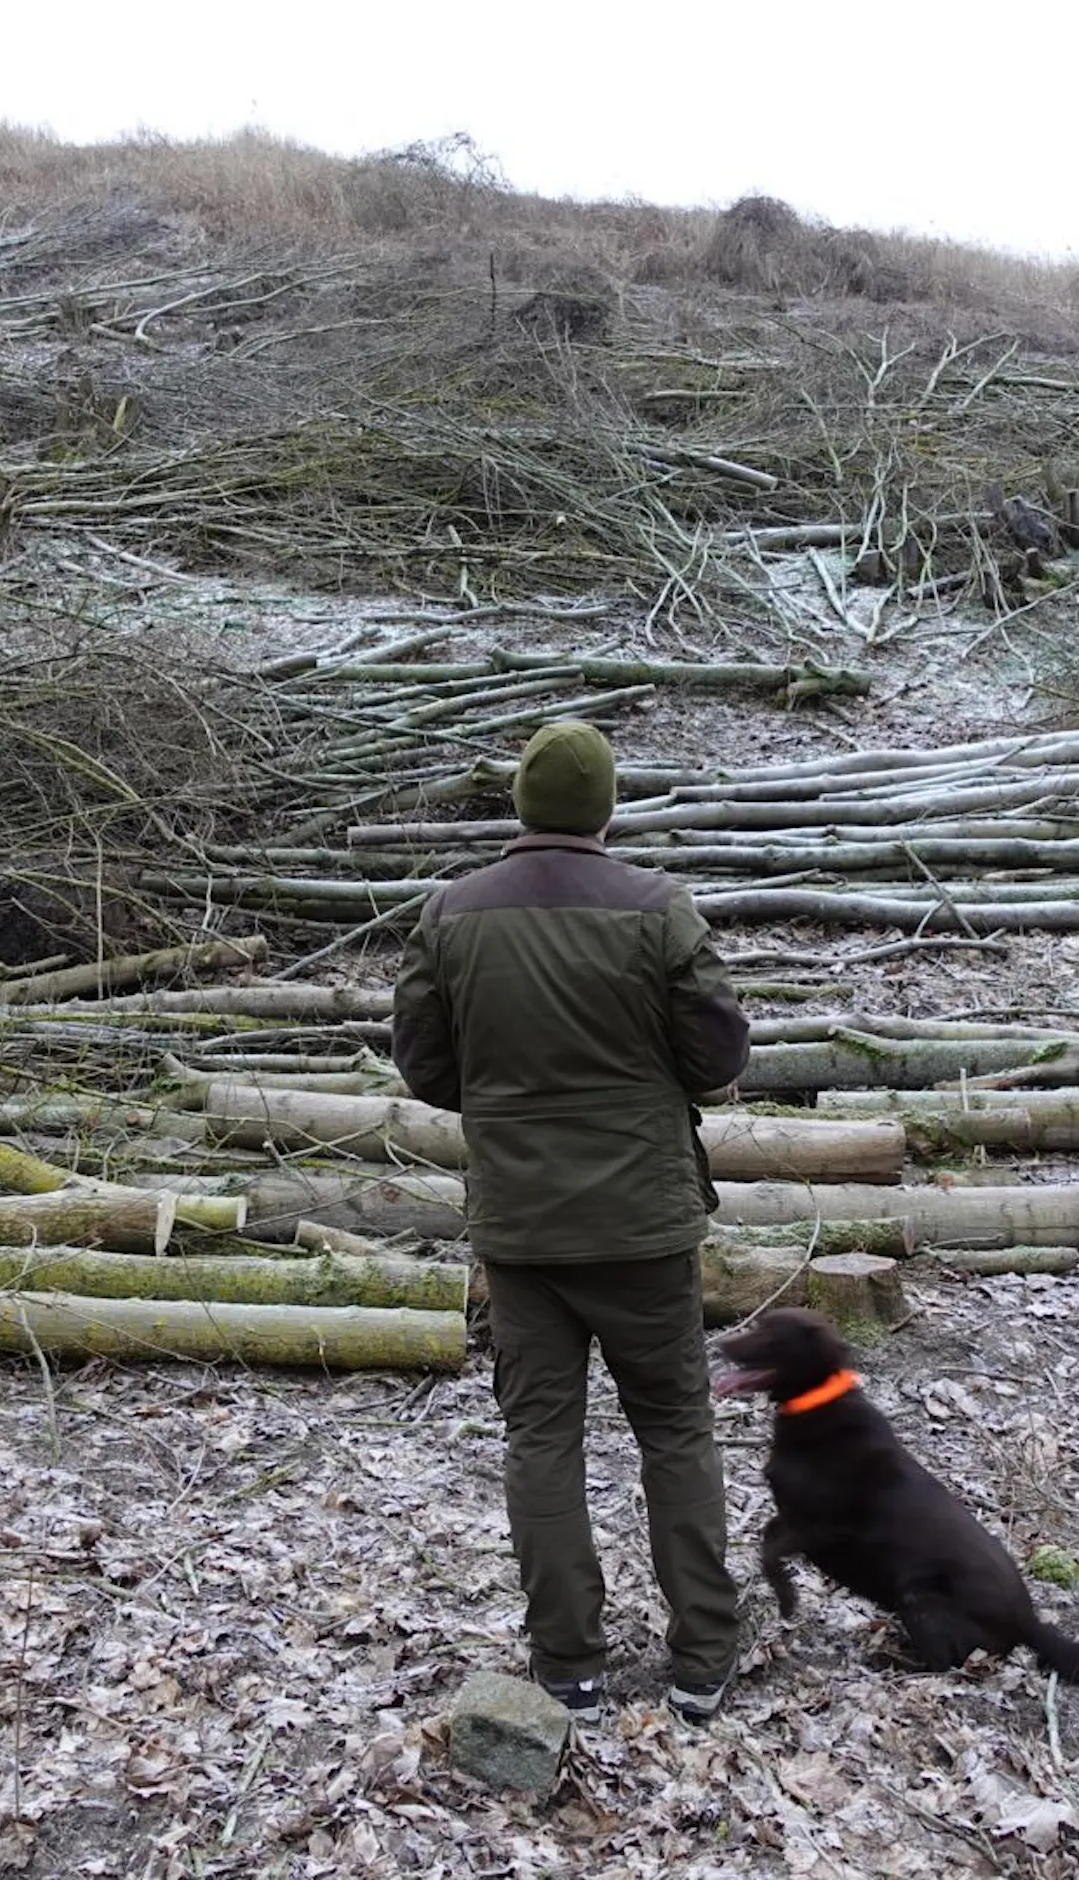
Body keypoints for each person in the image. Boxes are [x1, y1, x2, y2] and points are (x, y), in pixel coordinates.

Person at [391, 720, 750, 1724]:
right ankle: (701, 1657)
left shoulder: (450, 914)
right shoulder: (657, 908)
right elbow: (718, 1053)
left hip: (522, 1228)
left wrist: (506, 1102)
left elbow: (421, 1064)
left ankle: (567, 1666)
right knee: (675, 1428)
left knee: (539, 1437)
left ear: (520, 802)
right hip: (643, 1221)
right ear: (603, 806)